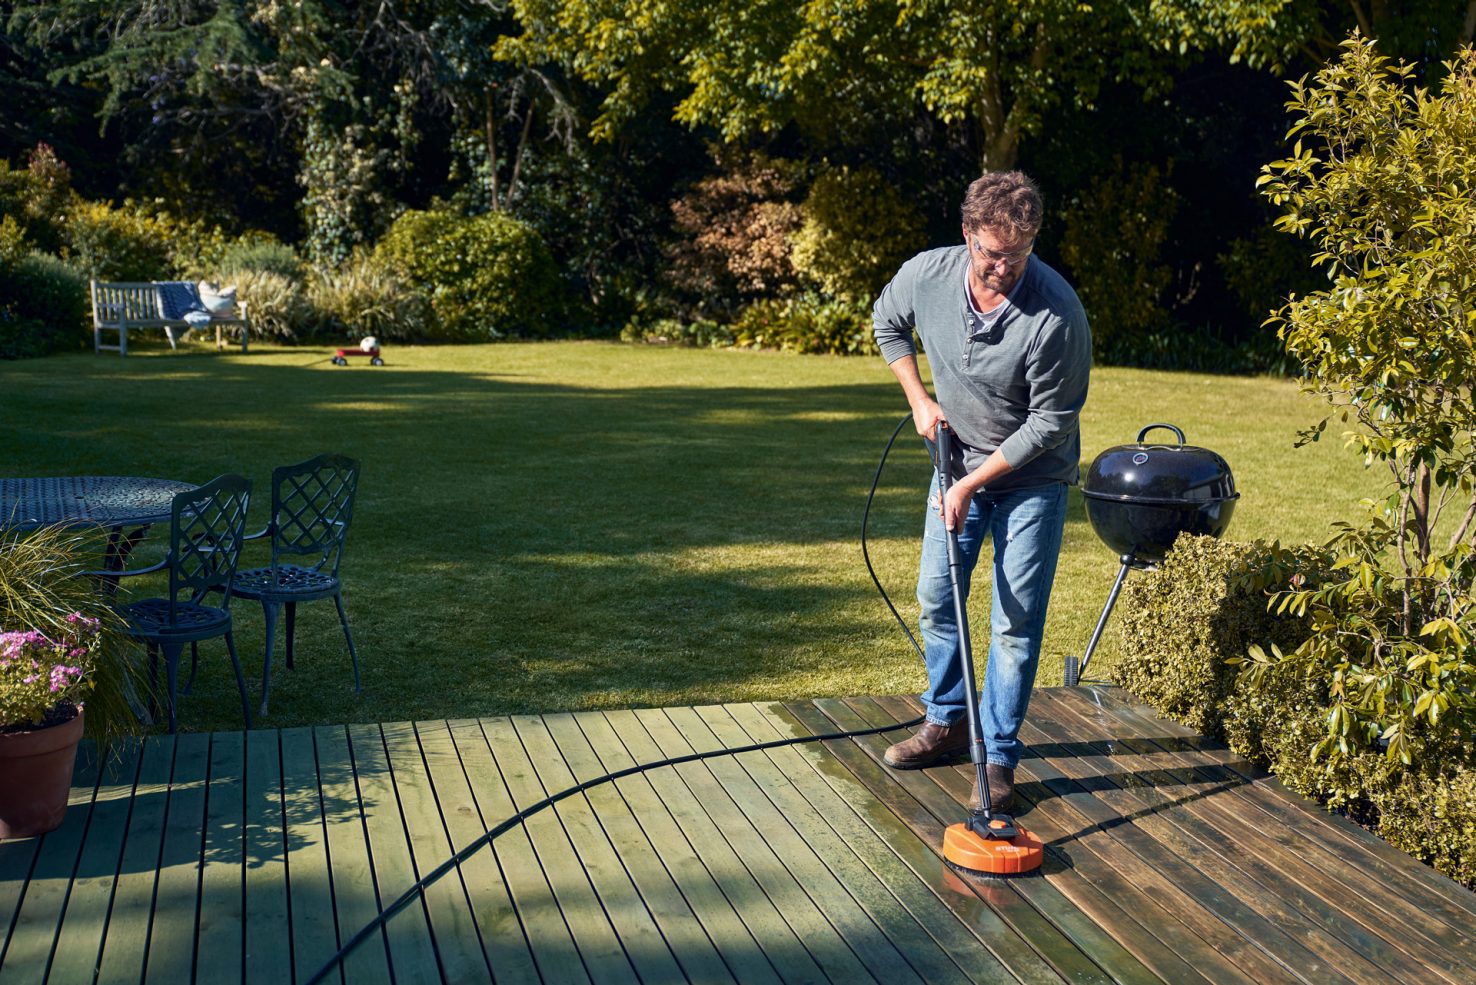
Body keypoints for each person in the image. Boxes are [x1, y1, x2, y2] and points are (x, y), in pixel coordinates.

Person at [871, 170, 1091, 811]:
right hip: (954, 462)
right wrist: (919, 398)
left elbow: (1051, 423)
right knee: (938, 598)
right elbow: (888, 324)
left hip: (1032, 481)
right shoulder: (928, 274)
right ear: (968, 234)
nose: (1004, 269)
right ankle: (946, 720)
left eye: (1018, 256)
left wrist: (969, 482)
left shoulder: (1057, 312)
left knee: (1015, 624)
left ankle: (996, 755)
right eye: (992, 254)